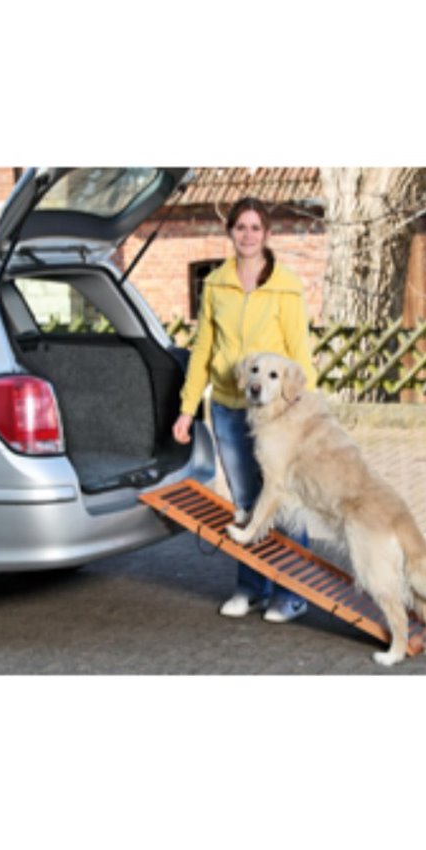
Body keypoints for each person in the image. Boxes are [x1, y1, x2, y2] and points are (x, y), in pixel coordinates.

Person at [172, 196, 317, 623]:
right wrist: (187, 409)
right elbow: (203, 350)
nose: (248, 235)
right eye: (241, 227)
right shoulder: (216, 284)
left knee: (283, 498)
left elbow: (298, 351)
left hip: (276, 415)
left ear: (267, 234)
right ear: (230, 232)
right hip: (229, 407)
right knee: (245, 503)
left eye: (256, 228)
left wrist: (304, 409)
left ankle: (292, 592)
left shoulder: (286, 286)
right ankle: (253, 587)